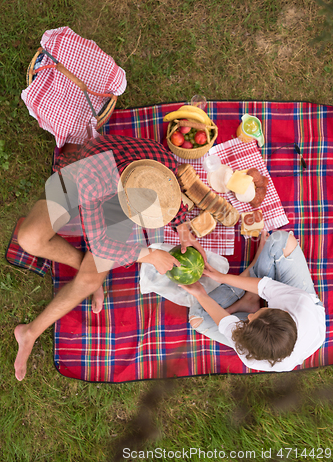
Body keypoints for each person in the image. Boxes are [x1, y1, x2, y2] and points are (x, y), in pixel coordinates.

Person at [14, 134, 207, 381]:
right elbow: (102, 245)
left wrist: (183, 230)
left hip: (119, 188)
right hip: (78, 177)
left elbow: (171, 196)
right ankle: (87, 269)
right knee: (30, 238)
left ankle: (30, 332)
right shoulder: (94, 182)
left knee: (90, 280)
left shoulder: (161, 165)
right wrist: (149, 255)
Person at [180, 230, 326, 372]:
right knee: (280, 240)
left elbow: (225, 322)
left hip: (272, 330)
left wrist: (200, 294)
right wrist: (221, 277)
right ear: (283, 309)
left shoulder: (249, 352)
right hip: (301, 305)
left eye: (249, 320)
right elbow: (263, 286)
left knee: (197, 317)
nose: (248, 317)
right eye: (256, 314)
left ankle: (251, 284)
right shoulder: (299, 302)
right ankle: (250, 296)